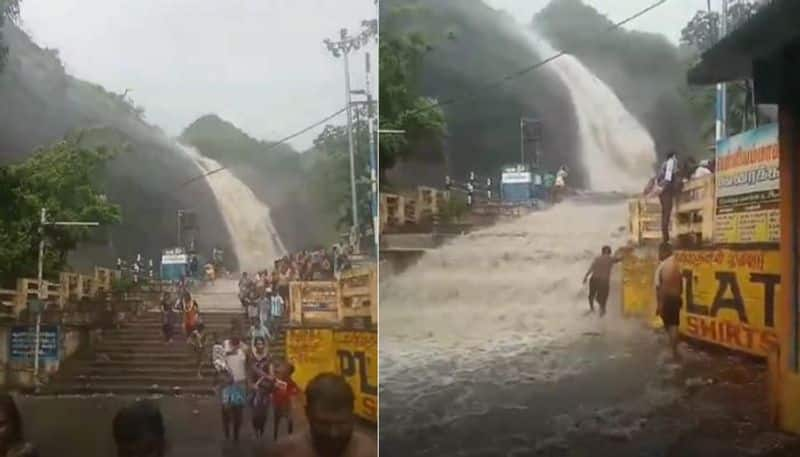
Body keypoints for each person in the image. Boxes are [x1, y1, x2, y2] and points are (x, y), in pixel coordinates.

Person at [266, 373, 377, 457]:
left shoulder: (369, 451)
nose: (333, 433)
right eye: (324, 424)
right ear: (308, 414)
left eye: (341, 424)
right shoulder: (285, 452)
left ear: (353, 417)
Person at [218, 325, 248, 441]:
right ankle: (226, 431)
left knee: (238, 411)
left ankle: (236, 434)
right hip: (226, 383)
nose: (236, 336)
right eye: (233, 333)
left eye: (238, 333)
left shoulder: (245, 348)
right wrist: (222, 377)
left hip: (240, 383)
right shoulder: (224, 345)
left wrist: (249, 383)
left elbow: (249, 365)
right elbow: (218, 362)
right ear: (230, 334)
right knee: (225, 409)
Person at [655, 242, 683, 361]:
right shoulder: (676, 264)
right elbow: (681, 283)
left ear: (665, 252)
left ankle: (673, 352)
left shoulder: (663, 266)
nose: (658, 255)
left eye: (660, 252)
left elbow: (660, 287)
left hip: (667, 299)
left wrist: (659, 305)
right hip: (676, 298)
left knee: (669, 325)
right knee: (674, 324)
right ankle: (675, 350)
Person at [582, 246, 627, 317]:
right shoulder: (610, 258)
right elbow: (620, 259)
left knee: (591, 295)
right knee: (604, 296)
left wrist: (585, 277)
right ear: (609, 252)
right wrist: (626, 254)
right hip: (603, 281)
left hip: (594, 279)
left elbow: (591, 268)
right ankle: (602, 309)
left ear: (602, 252)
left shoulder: (597, 258)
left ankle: (592, 309)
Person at [249, 337, 275, 439]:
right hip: (255, 388)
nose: (260, 346)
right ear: (255, 346)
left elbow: (271, 374)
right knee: (255, 412)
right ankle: (255, 430)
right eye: (258, 344)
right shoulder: (252, 358)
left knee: (264, 413)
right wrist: (251, 384)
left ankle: (261, 428)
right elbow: (250, 373)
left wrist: (269, 377)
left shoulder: (268, 358)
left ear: (264, 345)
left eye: (261, 344)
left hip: (265, 388)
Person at [271, 360, 300, 441]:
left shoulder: (288, 381)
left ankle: (279, 437)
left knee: (284, 420)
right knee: (279, 420)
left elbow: (295, 391)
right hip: (279, 403)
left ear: (288, 372)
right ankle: (277, 437)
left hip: (285, 404)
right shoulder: (279, 380)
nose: (281, 369)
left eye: (284, 368)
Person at [657, 151, 679, 242]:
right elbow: (668, 178)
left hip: (662, 192)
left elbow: (659, 179)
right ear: (673, 156)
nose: (676, 159)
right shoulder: (670, 163)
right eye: (675, 157)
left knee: (664, 213)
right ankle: (665, 238)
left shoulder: (664, 165)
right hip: (666, 192)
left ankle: (665, 237)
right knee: (666, 214)